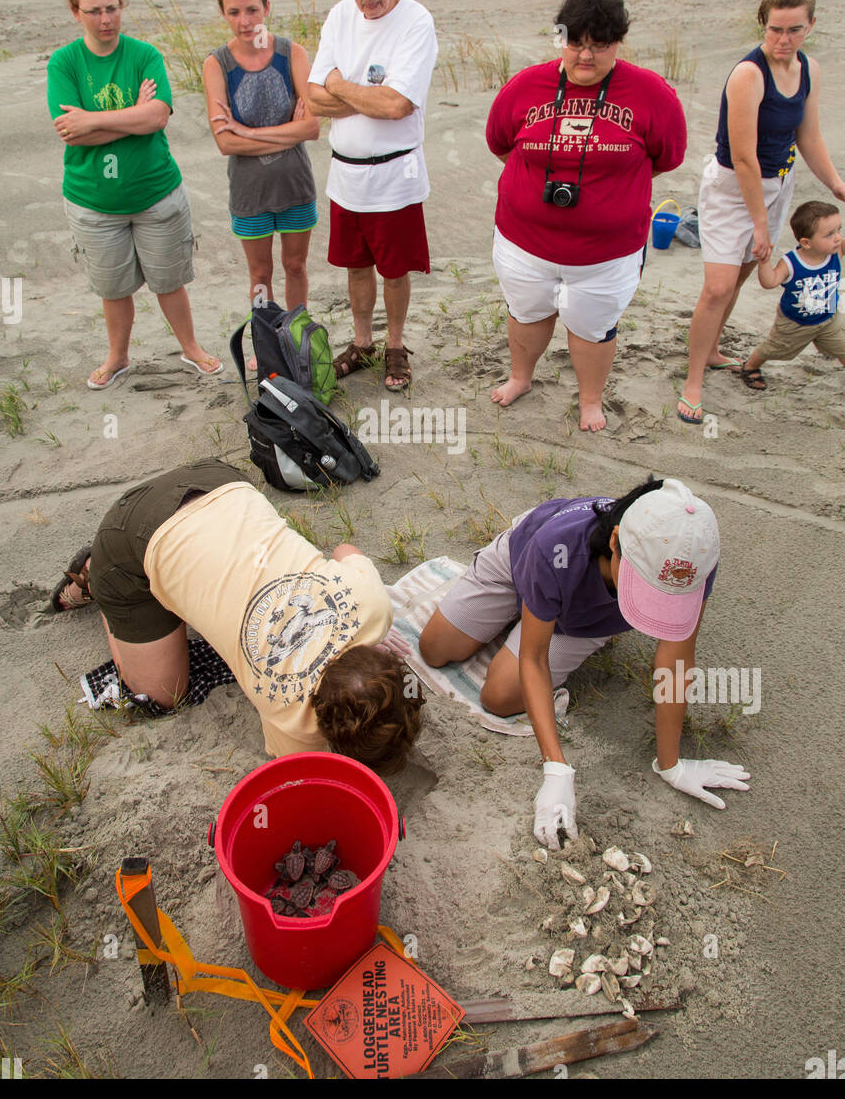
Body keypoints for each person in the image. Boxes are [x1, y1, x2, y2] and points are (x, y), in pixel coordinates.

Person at [419, 478, 749, 847]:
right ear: (614, 543)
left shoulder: (693, 558)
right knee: (435, 649)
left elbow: (676, 658)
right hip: (525, 560)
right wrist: (556, 768)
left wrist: (671, 764)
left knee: (499, 696)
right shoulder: (556, 547)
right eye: (645, 589)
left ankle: (541, 614)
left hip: (583, 619)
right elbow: (533, 658)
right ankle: (524, 603)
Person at [51, 460, 423, 772]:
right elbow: (293, 769)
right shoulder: (296, 725)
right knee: (161, 696)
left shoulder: (374, 606)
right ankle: (100, 576)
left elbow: (345, 550)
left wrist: (368, 635)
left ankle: (170, 591)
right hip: (131, 532)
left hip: (221, 482)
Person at [485, 0, 686, 431]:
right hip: (525, 242)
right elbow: (501, 144)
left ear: (619, 43)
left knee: (593, 326)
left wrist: (609, 189)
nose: (585, 56)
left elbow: (666, 157)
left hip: (606, 253)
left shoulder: (653, 94)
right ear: (562, 38)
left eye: (599, 45)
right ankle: (521, 377)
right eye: (575, 43)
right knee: (527, 311)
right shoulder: (525, 85)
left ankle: (590, 400)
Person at [47, 0, 221, 390]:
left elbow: (158, 116)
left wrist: (96, 120)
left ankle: (191, 348)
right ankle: (117, 356)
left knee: (169, 282)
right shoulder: (65, 62)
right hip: (93, 200)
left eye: (112, 9)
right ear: (75, 12)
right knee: (113, 289)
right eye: (94, 11)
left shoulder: (144, 55)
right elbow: (71, 132)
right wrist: (131, 120)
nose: (106, 19)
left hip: (155, 192)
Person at [678, 0, 845, 424]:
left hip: (778, 184)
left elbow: (808, 135)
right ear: (762, 24)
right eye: (775, 28)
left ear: (811, 26)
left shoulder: (808, 67)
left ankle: (712, 350)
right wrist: (758, 224)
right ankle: (693, 380)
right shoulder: (748, 75)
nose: (783, 39)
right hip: (734, 188)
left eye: (794, 29)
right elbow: (746, 158)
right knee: (716, 287)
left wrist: (835, 184)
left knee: (740, 279)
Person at [306, 0, 438, 391]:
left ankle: (396, 345)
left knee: (394, 268)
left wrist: (340, 84)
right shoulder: (340, 16)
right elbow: (312, 97)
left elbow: (397, 104)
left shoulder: (416, 21)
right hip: (346, 173)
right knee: (356, 266)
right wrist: (365, 95)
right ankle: (363, 343)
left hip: (395, 172)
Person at [203, 0, 320, 372]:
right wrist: (287, 132)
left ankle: (299, 337)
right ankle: (264, 340)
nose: (245, 20)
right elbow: (225, 143)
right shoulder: (216, 65)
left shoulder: (293, 54)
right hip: (249, 192)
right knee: (260, 272)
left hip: (295, 184)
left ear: (267, 7)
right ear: (224, 14)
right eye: (234, 12)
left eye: (252, 9)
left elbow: (312, 127)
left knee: (295, 266)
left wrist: (248, 130)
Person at [737, 200, 844, 391]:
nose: (837, 238)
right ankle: (750, 366)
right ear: (806, 242)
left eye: (839, 230)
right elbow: (770, 282)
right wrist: (764, 262)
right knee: (774, 348)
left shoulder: (836, 251)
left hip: (828, 318)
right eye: (830, 234)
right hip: (795, 323)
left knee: (842, 345)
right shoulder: (791, 263)